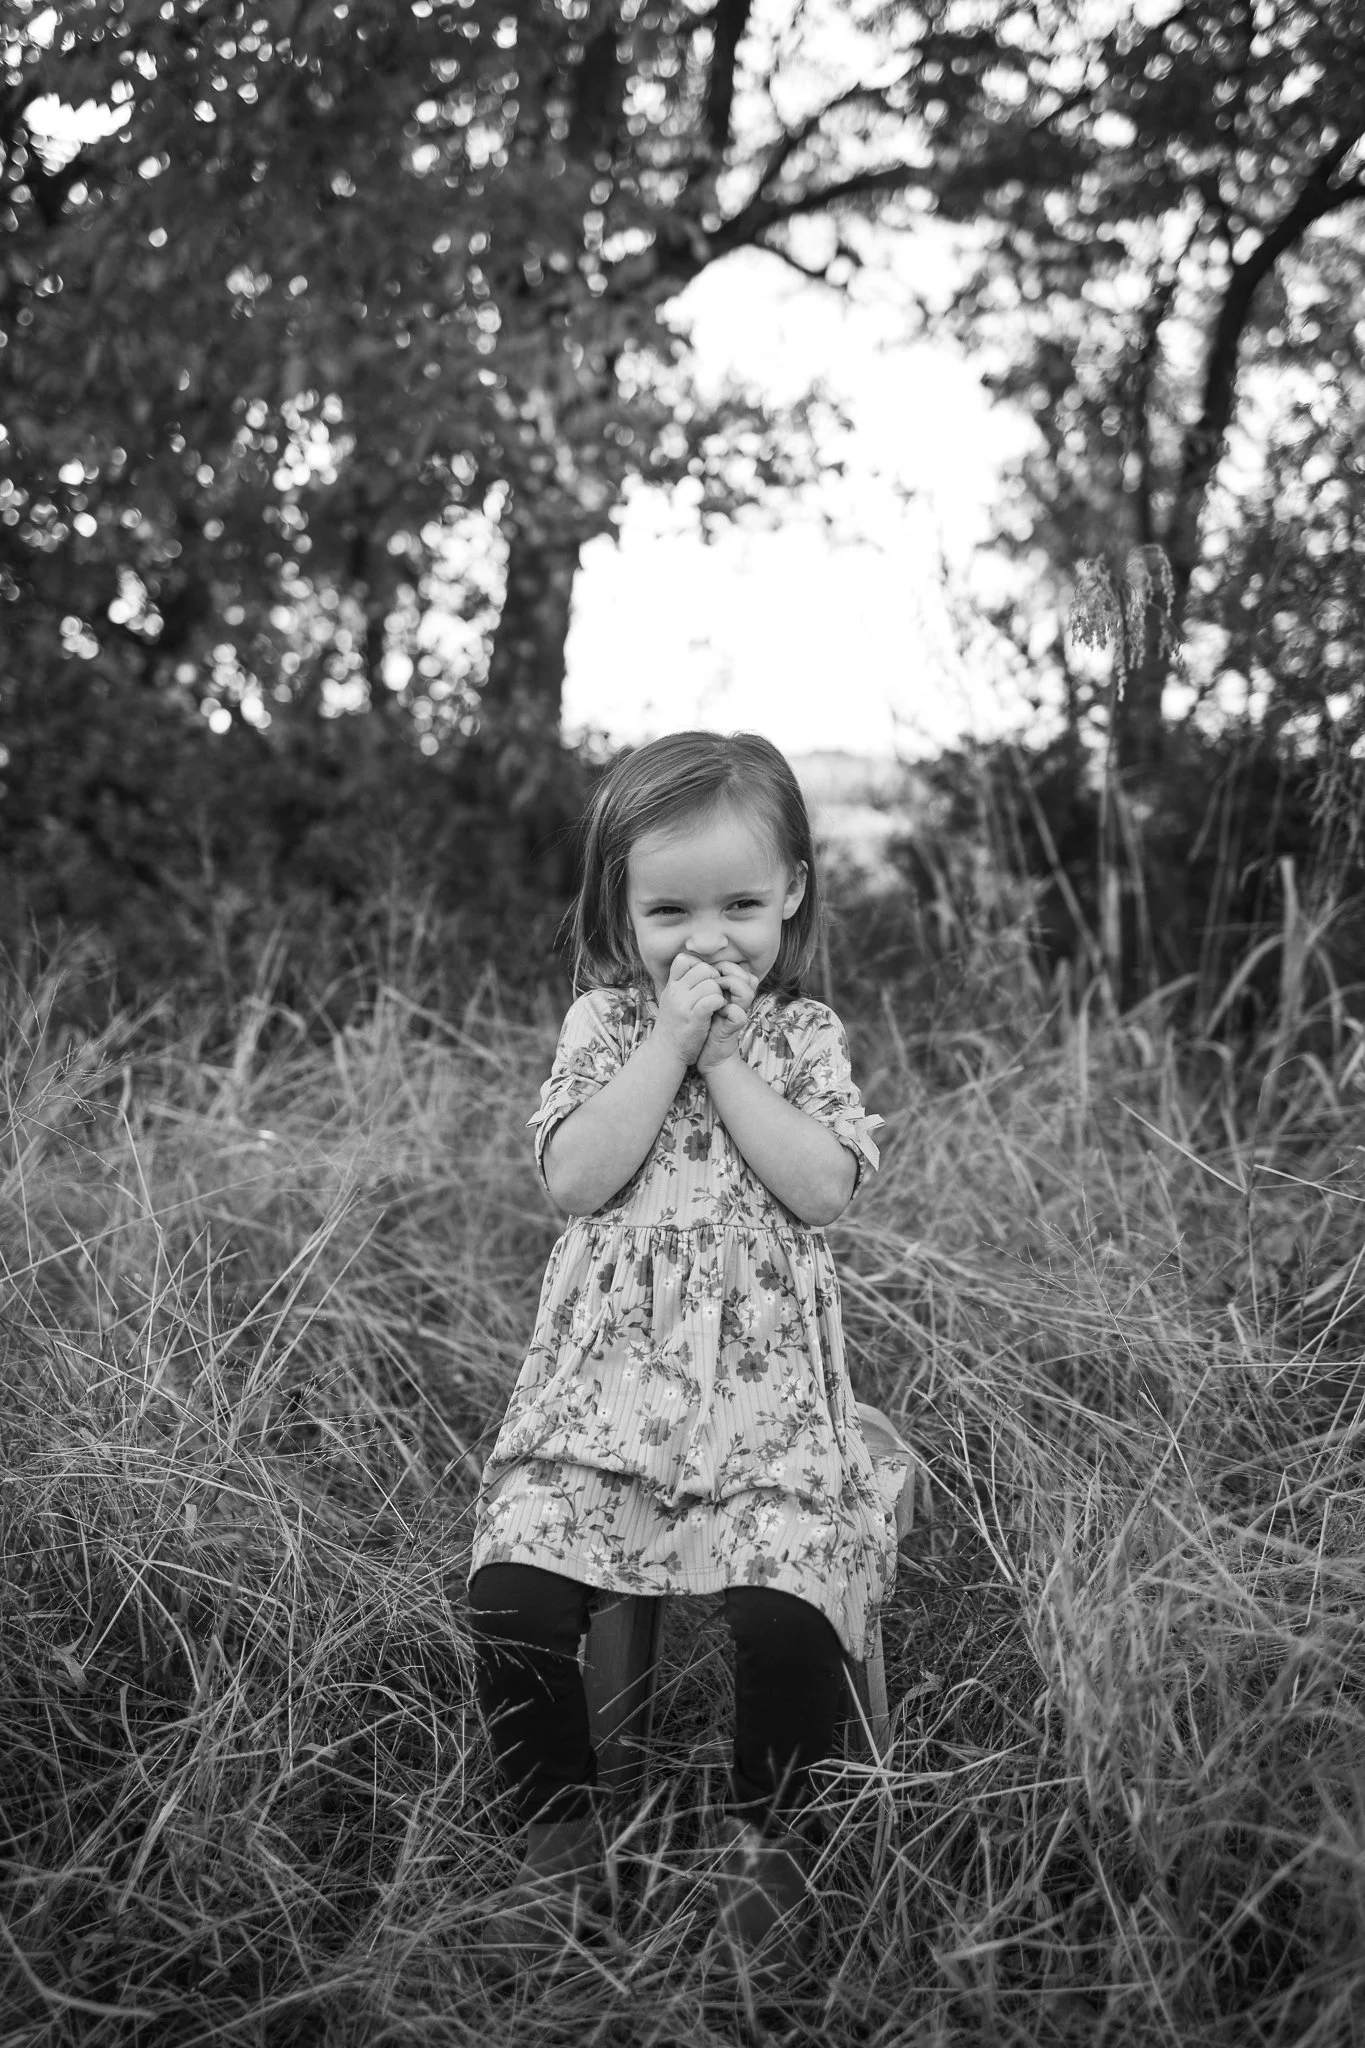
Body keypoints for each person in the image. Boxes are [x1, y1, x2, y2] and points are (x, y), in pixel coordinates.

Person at [468, 729, 893, 1975]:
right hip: (604, 1400)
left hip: (762, 1410)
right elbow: (573, 1177)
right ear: (621, 909)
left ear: (793, 892)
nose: (707, 941)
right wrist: (666, 1043)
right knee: (513, 1594)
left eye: (740, 906)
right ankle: (561, 1840)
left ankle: (767, 1849)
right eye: (669, 912)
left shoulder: (803, 1036)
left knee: (788, 1612)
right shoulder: (604, 1024)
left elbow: (823, 1190)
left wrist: (726, 1061)